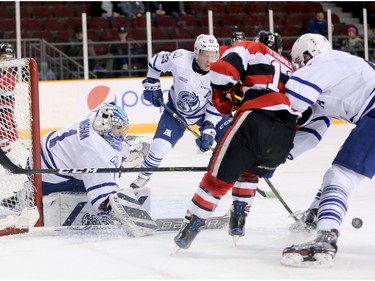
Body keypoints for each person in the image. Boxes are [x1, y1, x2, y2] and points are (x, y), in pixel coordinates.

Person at [173, 32, 299, 250]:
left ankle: (190, 228)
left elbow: (221, 74)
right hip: (286, 133)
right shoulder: (291, 67)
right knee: (249, 171)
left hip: (255, 119)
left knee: (215, 180)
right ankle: (239, 219)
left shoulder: (252, 48)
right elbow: (304, 111)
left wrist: (224, 96)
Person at [278, 33, 375, 267]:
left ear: (307, 55)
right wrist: (275, 158)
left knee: (339, 176)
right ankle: (314, 215)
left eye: (299, 62)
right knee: (339, 174)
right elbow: (310, 133)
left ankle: (326, 235)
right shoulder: (335, 78)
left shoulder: (326, 62)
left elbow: (296, 101)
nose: (298, 67)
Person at [129, 34, 231, 194]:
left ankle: (236, 180)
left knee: (230, 141)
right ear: (196, 53)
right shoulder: (180, 59)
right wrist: (151, 83)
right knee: (159, 147)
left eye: (213, 55)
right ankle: (142, 178)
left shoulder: (221, 74)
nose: (210, 60)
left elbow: (218, 104)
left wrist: (209, 129)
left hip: (207, 112)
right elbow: (156, 62)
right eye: (206, 55)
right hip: (177, 110)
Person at [41, 102, 151, 227]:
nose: (121, 132)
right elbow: (102, 201)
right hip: (45, 179)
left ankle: (112, 168)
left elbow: (103, 110)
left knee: (102, 171)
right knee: (100, 188)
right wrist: (111, 204)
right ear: (106, 126)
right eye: (118, 128)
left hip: (42, 154)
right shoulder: (96, 153)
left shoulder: (94, 119)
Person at [0, 43, 18, 155]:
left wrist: (9, 118)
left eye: (9, 59)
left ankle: (7, 162)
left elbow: (9, 100)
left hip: (5, 113)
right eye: (3, 58)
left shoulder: (10, 76)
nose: (7, 62)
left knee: (10, 137)